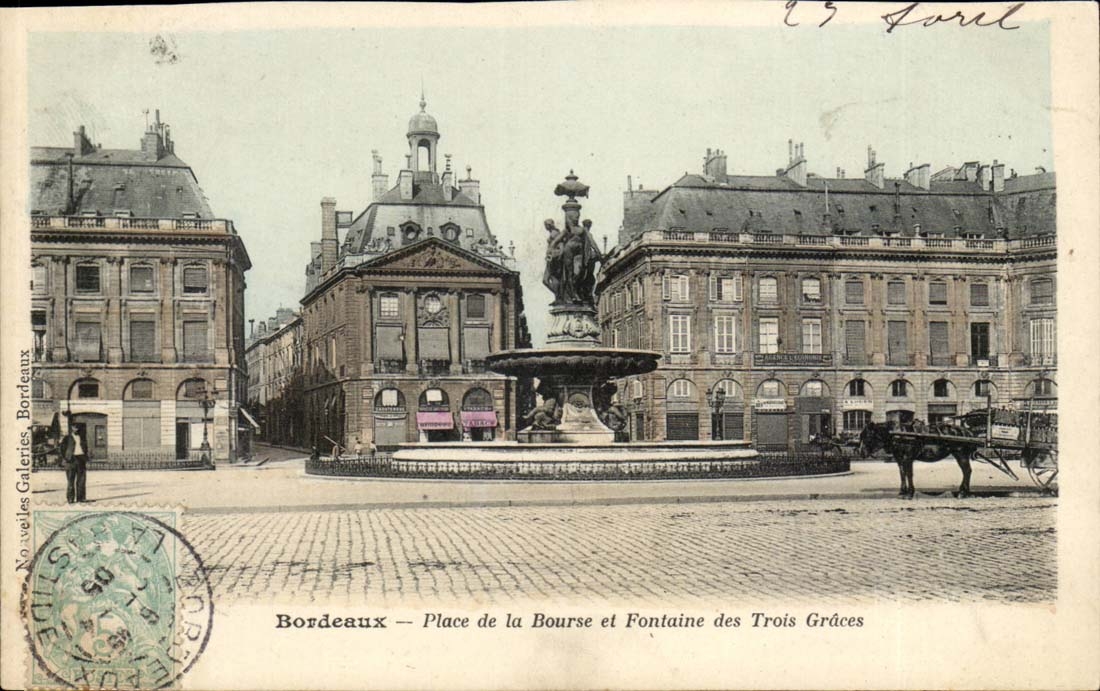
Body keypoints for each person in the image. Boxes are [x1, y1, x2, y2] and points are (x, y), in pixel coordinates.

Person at [59, 416, 88, 503]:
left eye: (77, 427)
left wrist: (85, 457)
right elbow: (62, 449)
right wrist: (66, 458)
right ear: (71, 428)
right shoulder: (67, 438)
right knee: (71, 480)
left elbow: (85, 448)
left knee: (81, 480)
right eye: (74, 427)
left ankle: (81, 498)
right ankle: (70, 499)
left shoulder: (82, 437)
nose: (76, 429)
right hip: (71, 460)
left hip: (81, 459)